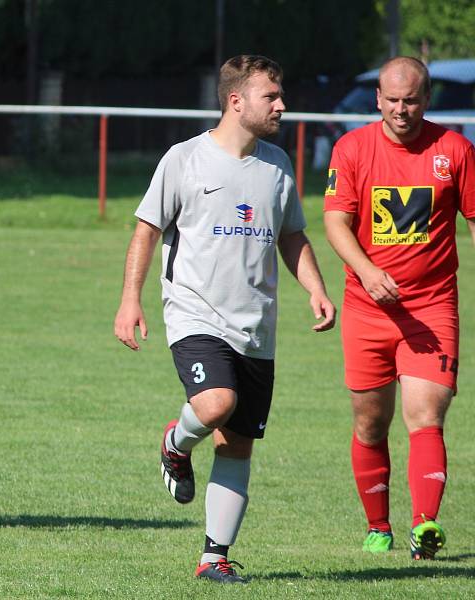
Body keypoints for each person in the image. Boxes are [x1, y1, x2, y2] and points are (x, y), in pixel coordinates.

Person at [114, 55, 336, 584]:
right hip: (195, 314)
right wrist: (130, 299)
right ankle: (175, 444)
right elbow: (147, 229)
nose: (282, 105)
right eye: (271, 97)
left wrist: (317, 288)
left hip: (257, 326)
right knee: (216, 403)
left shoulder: (279, 164)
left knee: (236, 445)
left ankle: (214, 558)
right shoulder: (184, 159)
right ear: (236, 101)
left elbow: (292, 236)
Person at [324, 56, 475, 560]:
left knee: (426, 414)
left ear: (427, 100)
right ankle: (378, 525)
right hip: (367, 311)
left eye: (411, 100)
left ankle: (425, 526)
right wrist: (368, 272)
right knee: (370, 422)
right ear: (378, 100)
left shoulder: (454, 149)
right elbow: (336, 223)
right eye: (392, 100)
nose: (401, 110)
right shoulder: (351, 149)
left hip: (432, 308)